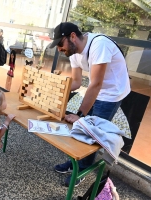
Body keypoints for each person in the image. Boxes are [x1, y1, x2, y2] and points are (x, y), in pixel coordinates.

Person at [49, 22, 130, 187]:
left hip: (112, 93)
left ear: (72, 36)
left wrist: (80, 115)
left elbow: (96, 84)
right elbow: (77, 83)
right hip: (96, 90)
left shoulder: (99, 45)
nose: (59, 49)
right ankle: (74, 162)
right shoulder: (73, 52)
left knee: (91, 133)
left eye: (60, 44)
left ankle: (82, 169)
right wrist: (54, 88)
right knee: (80, 128)